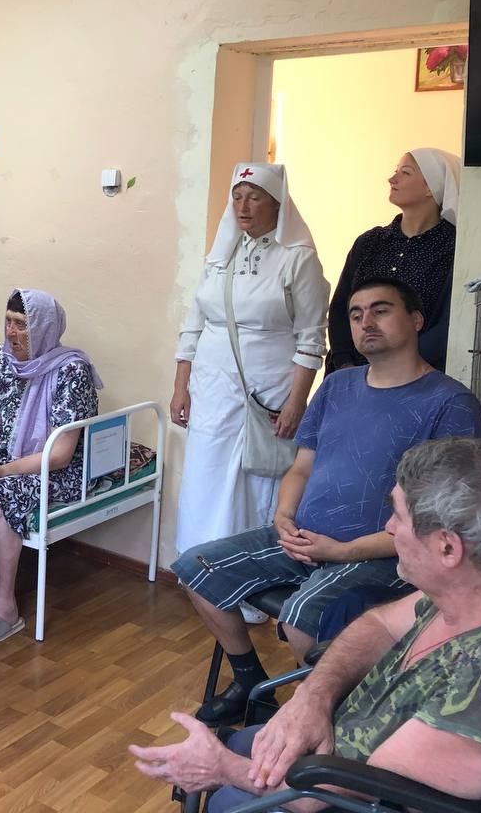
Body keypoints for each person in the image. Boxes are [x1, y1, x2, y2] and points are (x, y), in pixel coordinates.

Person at [172, 278, 481, 726]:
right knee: (195, 568)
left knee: (302, 617)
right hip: (303, 537)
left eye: (380, 310)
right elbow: (301, 467)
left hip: (380, 554)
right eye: (356, 315)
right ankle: (249, 683)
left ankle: (324, 717)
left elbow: (439, 522)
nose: (366, 322)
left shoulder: (450, 403)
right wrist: (282, 515)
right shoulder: (337, 386)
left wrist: (343, 551)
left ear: (416, 320)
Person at [131, 437, 481, 811]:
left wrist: (221, 768)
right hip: (340, 747)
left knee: (228, 797)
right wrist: (314, 695)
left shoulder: (476, 686)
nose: (389, 527)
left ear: (448, 548)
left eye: (399, 516)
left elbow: (335, 792)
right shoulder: (459, 595)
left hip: (347, 793)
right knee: (243, 742)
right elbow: (380, 622)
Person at [172, 163, 329, 618]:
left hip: (267, 390)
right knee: (206, 478)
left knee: (255, 483)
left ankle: (249, 590)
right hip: (211, 388)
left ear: (277, 204)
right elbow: (193, 324)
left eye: (255, 196)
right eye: (237, 196)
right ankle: (201, 574)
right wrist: (181, 385)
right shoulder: (221, 253)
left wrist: (297, 402)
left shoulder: (298, 258)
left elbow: (310, 338)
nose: (243, 206)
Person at [0, 290, 100, 646]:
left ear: (44, 327)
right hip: (1, 456)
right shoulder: (2, 358)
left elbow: (59, 455)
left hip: (51, 468)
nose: (11, 332)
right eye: (8, 322)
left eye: (22, 325)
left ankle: (5, 605)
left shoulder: (72, 370)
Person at [326, 149, 461, 373]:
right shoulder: (370, 241)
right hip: (351, 373)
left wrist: (397, 370)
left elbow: (448, 322)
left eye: (405, 173)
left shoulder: (454, 247)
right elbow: (340, 307)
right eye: (395, 171)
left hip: (417, 378)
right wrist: (344, 363)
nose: (392, 179)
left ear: (431, 187)